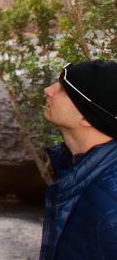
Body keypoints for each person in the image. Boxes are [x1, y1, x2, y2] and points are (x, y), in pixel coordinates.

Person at [40, 60, 117, 259]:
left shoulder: (111, 202)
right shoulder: (77, 168)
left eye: (64, 90)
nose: (49, 90)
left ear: (87, 118)